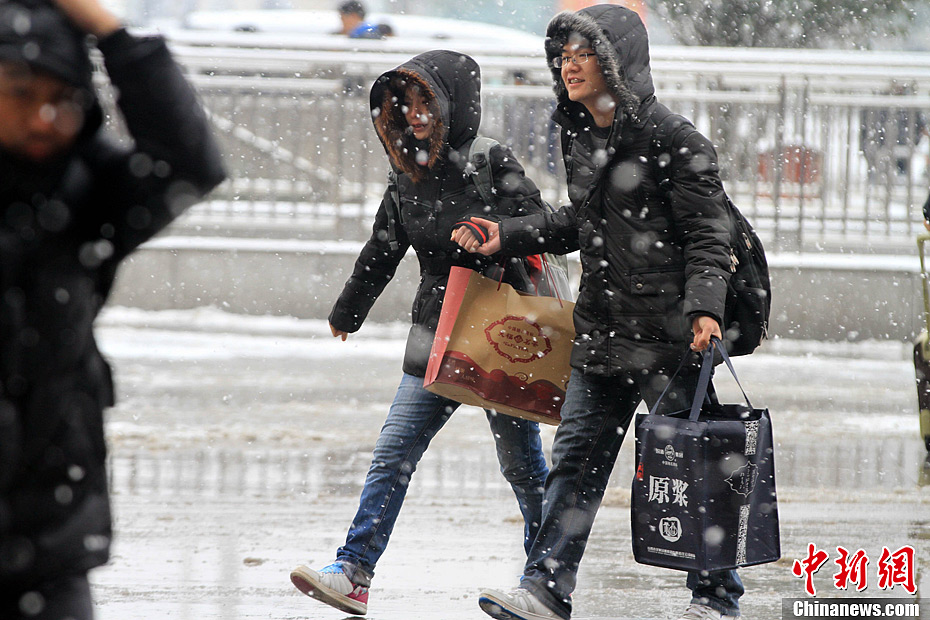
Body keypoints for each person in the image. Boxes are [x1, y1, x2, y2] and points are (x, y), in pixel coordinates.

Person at [453, 6, 744, 620]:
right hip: (600, 333)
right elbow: (580, 222)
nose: (568, 65)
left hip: (669, 340)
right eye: (562, 55)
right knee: (574, 467)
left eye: (583, 53)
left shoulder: (674, 138)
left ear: (618, 61)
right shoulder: (580, 133)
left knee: (690, 466)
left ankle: (716, 600)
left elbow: (708, 235)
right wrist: (505, 235)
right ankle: (544, 590)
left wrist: (705, 311)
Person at [288, 50, 551, 616]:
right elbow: (384, 247)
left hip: (501, 331)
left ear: (454, 102)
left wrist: (495, 232)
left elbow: (541, 225)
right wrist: (347, 312)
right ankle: (355, 571)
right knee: (393, 453)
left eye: (425, 101)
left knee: (523, 467)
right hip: (436, 330)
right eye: (404, 104)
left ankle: (545, 582)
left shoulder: (489, 160)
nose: (415, 114)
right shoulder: (407, 170)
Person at [0, 0, 225, 618]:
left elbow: (187, 164)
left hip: (47, 543)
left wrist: (115, 36)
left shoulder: (81, 194)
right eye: (21, 93)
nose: (45, 118)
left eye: (63, 98)